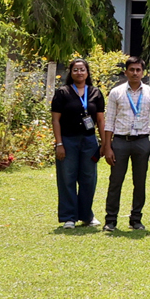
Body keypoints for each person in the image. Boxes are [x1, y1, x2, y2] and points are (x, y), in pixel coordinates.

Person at [102, 56, 150, 232]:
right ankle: (110, 220)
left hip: (142, 141)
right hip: (120, 141)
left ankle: (136, 219)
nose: (135, 73)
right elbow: (109, 121)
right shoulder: (116, 92)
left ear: (143, 72)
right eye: (132, 70)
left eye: (138, 70)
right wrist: (108, 147)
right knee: (115, 181)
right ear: (125, 72)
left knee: (140, 182)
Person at [51, 57, 105, 229]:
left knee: (89, 179)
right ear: (71, 72)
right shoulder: (62, 92)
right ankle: (69, 217)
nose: (79, 72)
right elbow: (55, 120)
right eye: (76, 69)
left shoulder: (95, 92)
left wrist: (105, 144)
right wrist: (59, 144)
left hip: (89, 141)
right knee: (67, 178)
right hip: (68, 140)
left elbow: (101, 120)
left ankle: (87, 215)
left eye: (82, 69)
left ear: (87, 72)